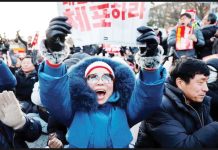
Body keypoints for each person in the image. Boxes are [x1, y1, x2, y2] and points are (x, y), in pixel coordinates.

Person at [38, 16, 166, 148]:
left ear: (114, 83)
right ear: (85, 83)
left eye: (106, 77)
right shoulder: (74, 109)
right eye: (93, 77)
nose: (100, 81)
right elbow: (54, 97)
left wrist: (150, 64)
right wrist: (54, 57)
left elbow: (147, 100)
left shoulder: (126, 109)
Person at [135, 57, 218, 148]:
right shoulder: (158, 106)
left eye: (206, 82)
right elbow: (182, 146)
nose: (206, 89)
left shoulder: (199, 100)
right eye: (200, 82)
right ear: (180, 83)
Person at [0, 59, 42, 148]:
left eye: (28, 62)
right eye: (24, 63)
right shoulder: (17, 74)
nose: (26, 65)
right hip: (20, 101)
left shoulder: (38, 75)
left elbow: (34, 133)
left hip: (30, 102)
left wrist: (21, 123)